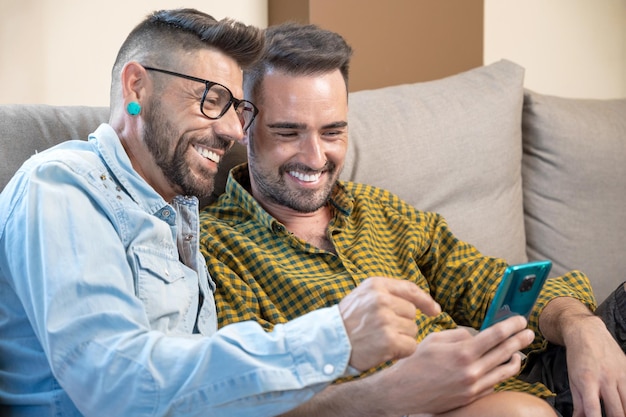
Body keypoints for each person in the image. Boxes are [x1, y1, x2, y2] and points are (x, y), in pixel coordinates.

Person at [0, 9, 455, 417]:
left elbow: (206, 392)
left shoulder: (178, 217)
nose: (236, 131)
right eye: (212, 100)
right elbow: (116, 386)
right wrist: (336, 337)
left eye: (237, 109)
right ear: (136, 85)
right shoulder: (63, 185)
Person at [199, 22, 626, 417]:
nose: (315, 157)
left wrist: (581, 326)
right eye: (288, 132)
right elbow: (251, 402)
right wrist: (397, 390)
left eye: (332, 132)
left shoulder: (380, 210)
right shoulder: (216, 249)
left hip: (536, 374)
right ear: (243, 123)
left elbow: (488, 281)